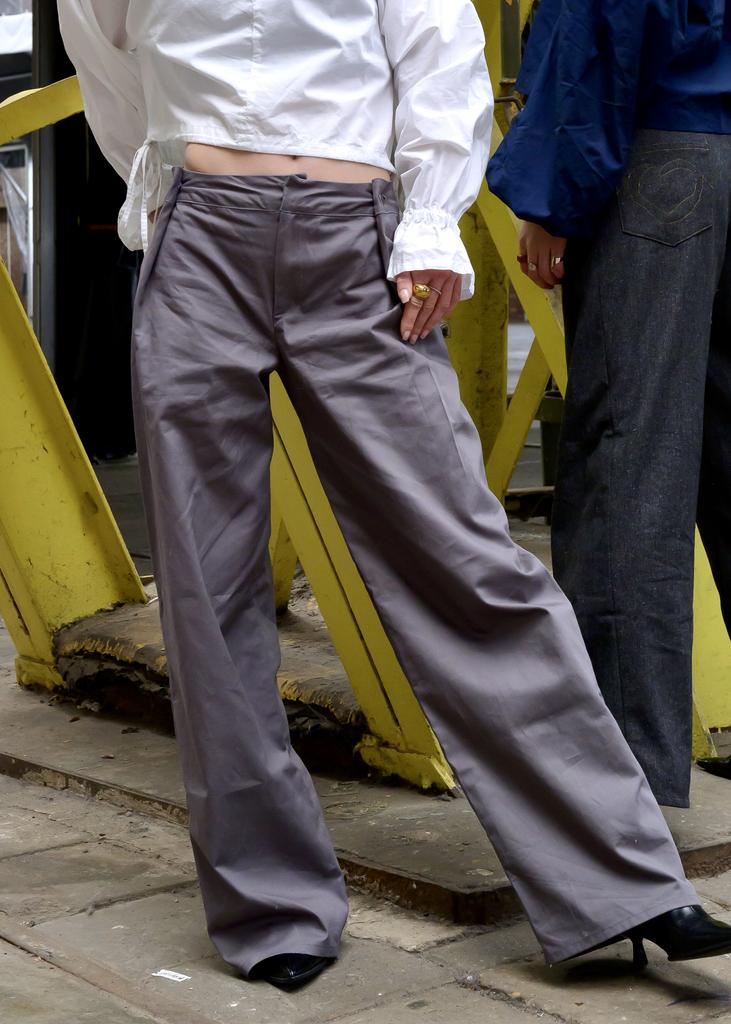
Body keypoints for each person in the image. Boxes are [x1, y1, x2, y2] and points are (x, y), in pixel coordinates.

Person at [58, 0, 731, 992]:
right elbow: (106, 66)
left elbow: (438, 51)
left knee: (465, 559)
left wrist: (426, 220)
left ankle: (620, 883)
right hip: (200, 239)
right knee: (206, 588)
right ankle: (269, 902)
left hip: (360, 244)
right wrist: (161, 205)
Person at [488, 0, 731, 810]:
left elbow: (599, 23)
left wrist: (552, 197)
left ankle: (627, 779)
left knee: (629, 460)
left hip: (661, 159)